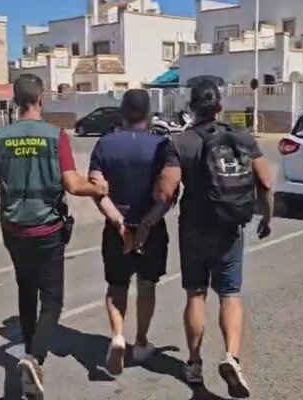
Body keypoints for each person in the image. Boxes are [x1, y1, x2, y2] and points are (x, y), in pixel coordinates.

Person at [0, 74, 108, 398]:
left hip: (14, 229)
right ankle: (34, 358)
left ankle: (29, 355)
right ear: (41, 100)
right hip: (47, 229)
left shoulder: (0, 138)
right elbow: (72, 184)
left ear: (16, 102)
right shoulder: (55, 136)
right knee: (53, 299)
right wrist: (97, 188)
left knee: (26, 289)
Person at [157, 80, 273, 398]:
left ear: (192, 108)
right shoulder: (242, 137)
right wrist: (267, 217)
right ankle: (232, 357)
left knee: (195, 294)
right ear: (220, 106)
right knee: (230, 294)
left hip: (194, 228)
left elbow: (167, 190)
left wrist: (149, 217)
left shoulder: (180, 142)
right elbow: (265, 181)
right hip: (230, 227)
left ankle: (194, 363)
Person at [88, 89, 171, 375]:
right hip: (152, 227)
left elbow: (97, 189)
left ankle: (117, 336)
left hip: (116, 228)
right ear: (148, 113)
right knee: (147, 285)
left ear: (122, 112)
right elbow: (168, 194)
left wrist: (119, 223)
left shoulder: (105, 144)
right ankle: (141, 341)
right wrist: (146, 224)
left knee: (116, 286)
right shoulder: (162, 146)